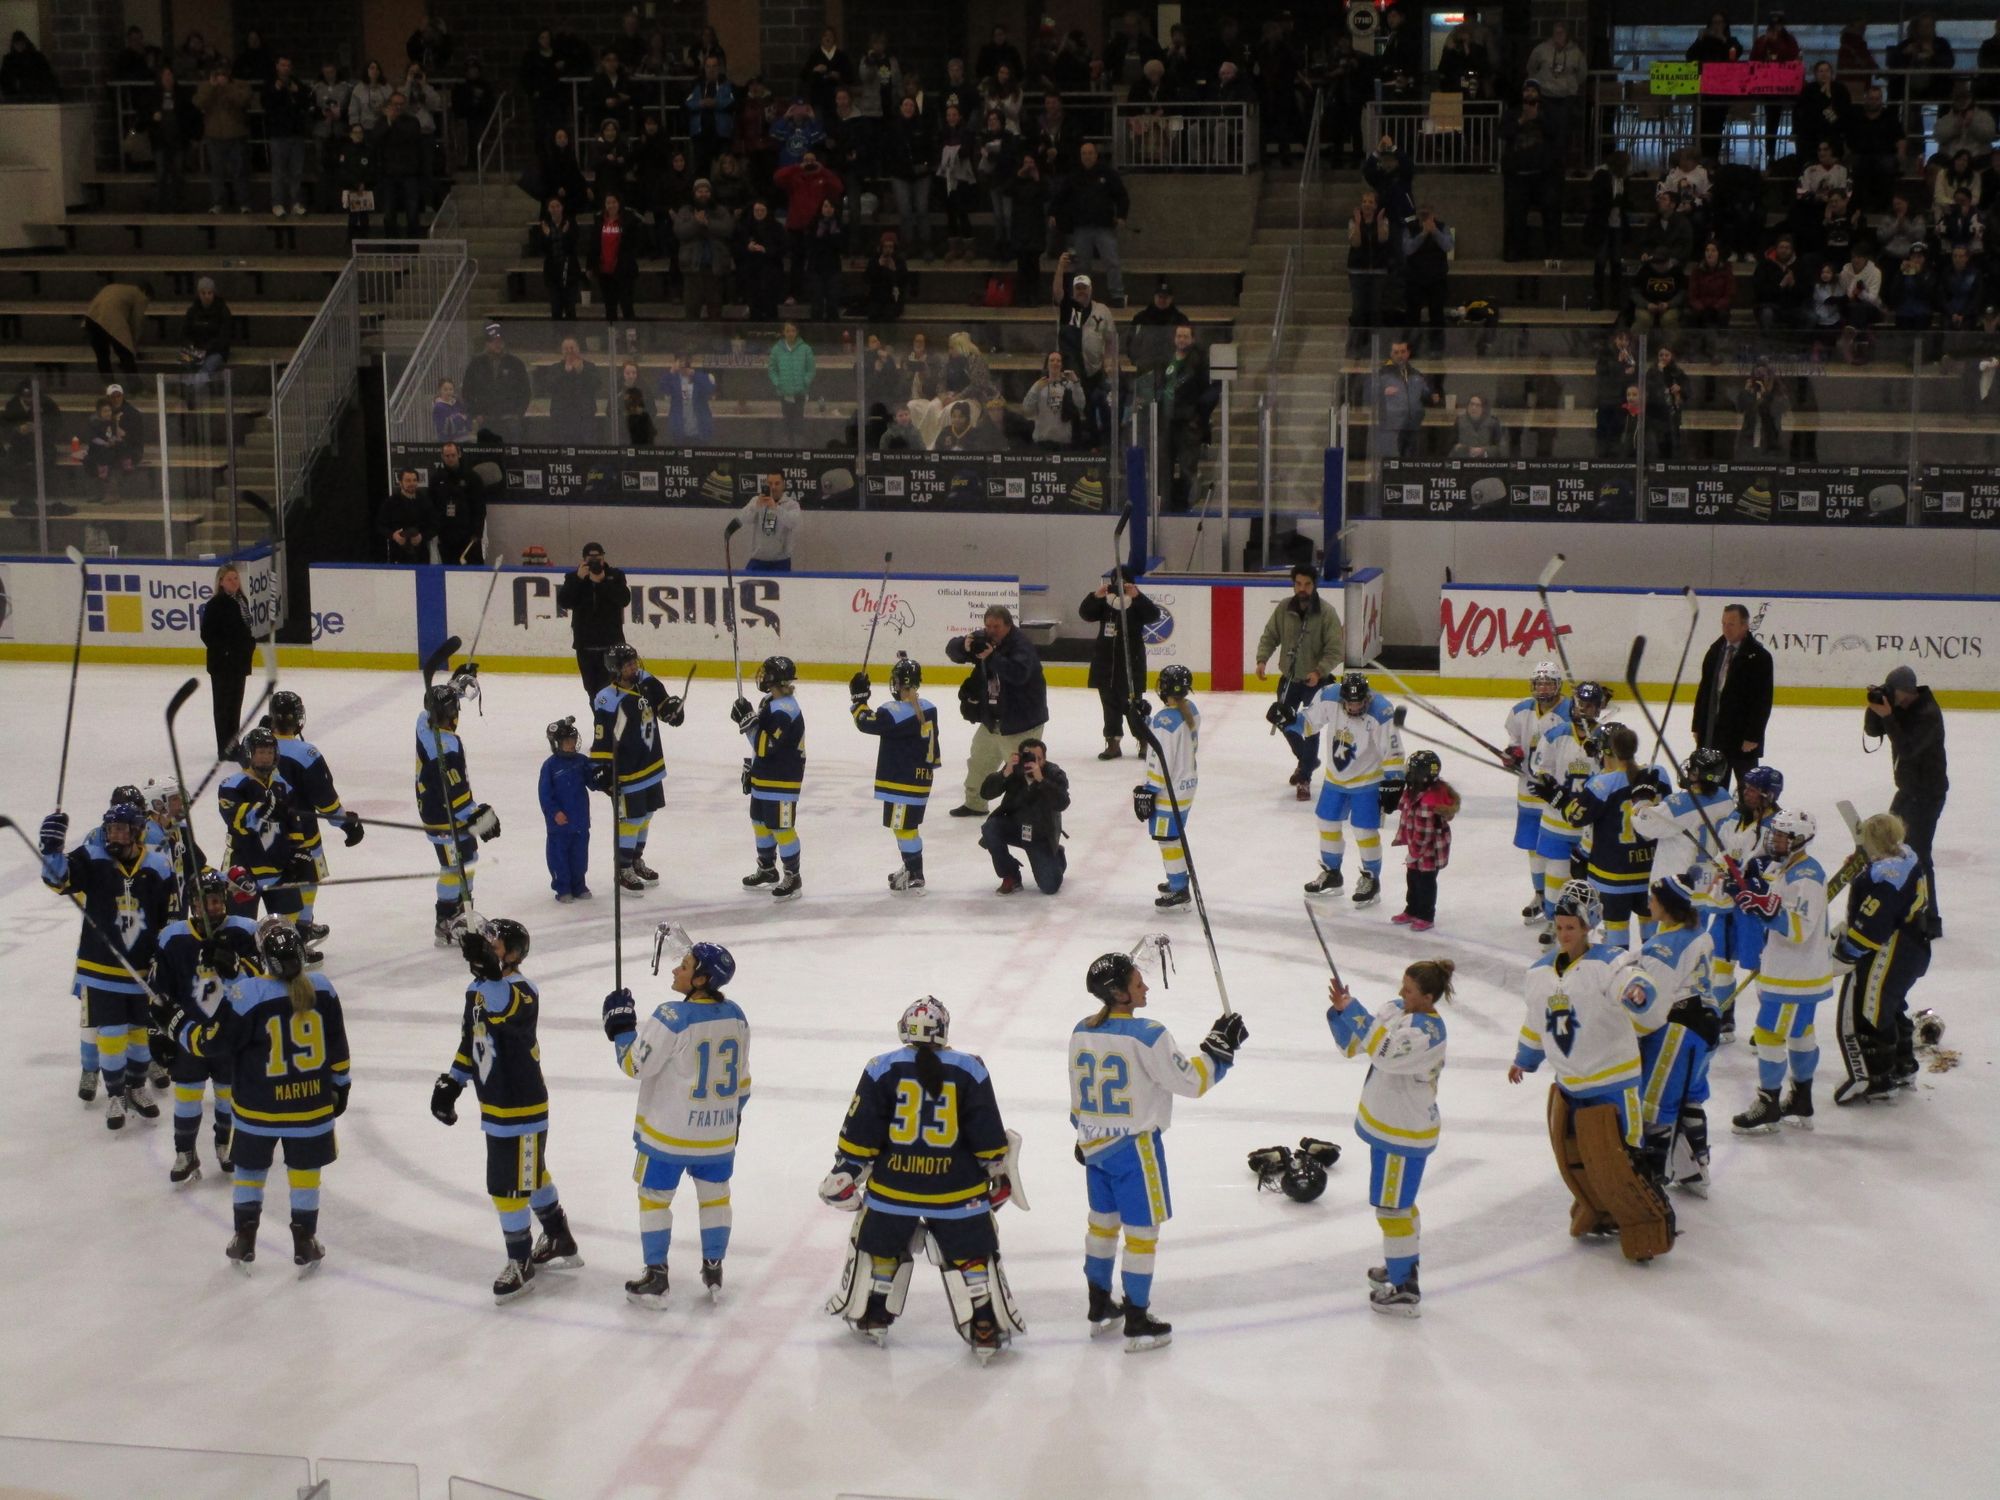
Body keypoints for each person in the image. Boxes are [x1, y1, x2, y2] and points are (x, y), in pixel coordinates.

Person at [819, 997, 1023, 1357]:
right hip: (959, 1193)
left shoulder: (881, 1067)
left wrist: (846, 1170)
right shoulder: (970, 1068)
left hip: (892, 1191)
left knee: (880, 1247)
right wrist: (998, 1173)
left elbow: (861, 1132)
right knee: (973, 1256)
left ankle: (874, 1314)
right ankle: (983, 1320)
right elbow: (988, 1139)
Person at [1071, 949, 1245, 1350]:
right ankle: (1136, 1320)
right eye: (1137, 983)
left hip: (1094, 1147)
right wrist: (1220, 1052)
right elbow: (1191, 1082)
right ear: (1119, 994)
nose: (1145, 986)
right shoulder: (1148, 1033)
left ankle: (1099, 1305)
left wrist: (1082, 1134)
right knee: (1141, 1235)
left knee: (1101, 1226)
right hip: (1135, 1150)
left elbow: (1076, 1097)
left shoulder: (1081, 1029)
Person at [1510, 881, 1674, 1262]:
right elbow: (1536, 1021)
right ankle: (1598, 1210)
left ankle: (1644, 1222)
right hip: (1570, 1083)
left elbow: (1631, 980)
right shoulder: (1538, 973)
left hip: (1613, 1080)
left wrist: (1638, 992)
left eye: (1571, 927)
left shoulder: (1609, 961)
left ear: (1588, 926)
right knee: (1580, 1158)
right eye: (1560, 925)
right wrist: (1525, 1058)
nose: (1564, 933)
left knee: (1625, 1155)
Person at [171, 922, 348, 1272]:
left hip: (258, 1106)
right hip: (310, 1105)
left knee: (250, 1170)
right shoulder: (323, 988)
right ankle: (305, 1240)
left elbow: (214, 1042)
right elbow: (338, 1043)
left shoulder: (247, 993)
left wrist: (177, 1027)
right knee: (305, 1173)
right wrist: (341, 1084)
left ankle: (244, 1236)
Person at [430, 917, 581, 1302]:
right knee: (530, 1172)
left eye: (494, 946)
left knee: (507, 1184)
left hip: (521, 1103)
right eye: (484, 944)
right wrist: (453, 1081)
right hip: (494, 1100)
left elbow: (502, 1010)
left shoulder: (522, 990)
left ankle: (520, 1261)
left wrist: (489, 973)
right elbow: (473, 1040)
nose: (487, 950)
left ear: (513, 955)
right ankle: (559, 1236)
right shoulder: (477, 989)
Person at [600, 928, 749, 1305]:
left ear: (701, 980)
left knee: (653, 1198)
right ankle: (713, 1266)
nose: (674, 972)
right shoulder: (736, 1015)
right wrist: (726, 1124)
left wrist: (620, 1030)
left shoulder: (671, 1015)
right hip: (717, 1139)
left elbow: (635, 1065)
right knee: (716, 1198)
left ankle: (657, 1277)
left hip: (667, 1136)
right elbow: (743, 1086)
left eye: (683, 967)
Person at [1323, 960, 1452, 1316]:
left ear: (1428, 997)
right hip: (1391, 1127)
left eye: (1409, 990)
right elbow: (1354, 1046)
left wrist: (1354, 1010)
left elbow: (1385, 1051)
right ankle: (1401, 1267)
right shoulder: (1396, 1011)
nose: (1400, 993)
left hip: (1404, 1133)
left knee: (1393, 1207)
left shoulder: (1426, 1034)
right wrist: (1340, 1012)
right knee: (1400, 1204)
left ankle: (1404, 1287)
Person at [38, 801, 173, 1123]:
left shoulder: (158, 866)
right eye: (110, 828)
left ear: (137, 832)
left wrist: (164, 956)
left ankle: (136, 1086)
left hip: (140, 971)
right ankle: (115, 1095)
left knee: (140, 1034)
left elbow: (168, 915)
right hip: (100, 968)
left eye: (121, 829)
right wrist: (51, 850)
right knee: (111, 1033)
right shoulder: (93, 857)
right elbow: (58, 880)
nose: (114, 835)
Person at [1726, 808, 1833, 1136]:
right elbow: (1776, 907)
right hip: (1799, 972)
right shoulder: (1789, 867)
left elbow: (1797, 928)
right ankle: (1801, 1100)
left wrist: (1759, 907)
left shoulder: (1806, 878)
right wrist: (1751, 898)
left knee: (1770, 1033)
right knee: (1800, 1033)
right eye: (1775, 833)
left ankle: (1769, 1103)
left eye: (1783, 836)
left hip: (1793, 975)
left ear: (1800, 840)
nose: (1774, 839)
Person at [153, 869, 258, 1181]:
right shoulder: (172, 938)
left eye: (214, 901)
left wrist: (234, 964)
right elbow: (161, 990)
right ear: (192, 905)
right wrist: (159, 1034)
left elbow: (262, 980)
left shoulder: (245, 930)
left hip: (231, 1032)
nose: (209, 908)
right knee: (187, 1095)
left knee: (227, 1095)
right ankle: (185, 1151)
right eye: (201, 903)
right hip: (189, 1033)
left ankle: (225, 1144)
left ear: (224, 900)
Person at [1620, 875, 1721, 1194]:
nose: (1648, 903)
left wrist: (1629, 1033)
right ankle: (1695, 1169)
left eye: (1653, 898)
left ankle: (1654, 1179)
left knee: (1654, 1103)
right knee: (1688, 1097)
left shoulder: (1663, 946)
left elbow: (1652, 1008)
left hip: (1678, 1029)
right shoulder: (1697, 933)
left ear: (1667, 905)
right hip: (1706, 1026)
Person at [1831, 812, 1932, 1102]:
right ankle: (1903, 1066)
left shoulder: (1887, 878)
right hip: (1911, 945)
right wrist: (1864, 867)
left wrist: (1848, 949)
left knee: (1870, 1009)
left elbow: (1872, 926)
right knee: (1890, 1005)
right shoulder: (1907, 854)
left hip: (1893, 948)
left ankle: (1879, 1078)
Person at [1289, 670, 1405, 909]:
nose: (1353, 708)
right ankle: (1333, 874)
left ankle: (1370, 879)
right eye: (1349, 703)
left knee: (1364, 831)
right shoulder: (1329, 696)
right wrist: (1287, 719)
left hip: (1367, 781)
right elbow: (1308, 724)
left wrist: (1394, 782)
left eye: (1358, 702)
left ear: (1367, 698)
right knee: (1326, 823)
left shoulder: (1381, 710)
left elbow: (1393, 751)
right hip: (1335, 779)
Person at [1553, 723, 1667, 948]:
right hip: (1651, 871)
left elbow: (1576, 817)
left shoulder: (1601, 784)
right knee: (1652, 939)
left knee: (1616, 943)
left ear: (1606, 751)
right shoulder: (1658, 774)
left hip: (1613, 876)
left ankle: (1620, 979)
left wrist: (1557, 797)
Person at [268, 690, 361, 948]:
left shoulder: (257, 746)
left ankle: (290, 929)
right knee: (308, 878)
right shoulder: (305, 753)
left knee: (280, 882)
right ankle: (300, 930)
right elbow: (326, 802)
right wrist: (347, 824)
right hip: (302, 833)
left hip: (265, 833)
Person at [1863, 664, 1947, 940]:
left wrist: (1889, 716)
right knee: (1886, 844)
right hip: (1908, 790)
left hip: (1928, 794)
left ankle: (1930, 919)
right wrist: (1875, 708)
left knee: (1919, 854)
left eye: (1893, 691)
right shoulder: (1901, 706)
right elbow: (1874, 732)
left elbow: (1908, 749)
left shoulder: (1928, 714)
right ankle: (1897, 907)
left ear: (1906, 691)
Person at [1525, 680, 1613, 939]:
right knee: (1556, 875)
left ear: (1598, 709)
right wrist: (1552, 792)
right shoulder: (1555, 735)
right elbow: (1540, 777)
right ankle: (1555, 920)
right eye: (1579, 703)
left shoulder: (1605, 738)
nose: (1582, 709)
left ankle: (1598, 922)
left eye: (1589, 705)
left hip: (1591, 827)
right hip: (1556, 824)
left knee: (1596, 880)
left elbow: (1613, 778)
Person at [592, 644, 683, 894]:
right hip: (627, 772)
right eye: (628, 664)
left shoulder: (647, 681)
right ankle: (622, 868)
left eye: (634, 662)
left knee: (645, 815)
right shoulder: (606, 699)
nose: (634, 667)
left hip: (651, 765)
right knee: (630, 820)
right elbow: (601, 739)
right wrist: (602, 768)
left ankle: (634, 860)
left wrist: (674, 712)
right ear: (616, 669)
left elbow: (664, 709)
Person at [946, 605, 1049, 817]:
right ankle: (975, 803)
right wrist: (963, 646)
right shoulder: (984, 641)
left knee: (1023, 769)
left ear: (1008, 625)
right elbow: (952, 651)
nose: (991, 630)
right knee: (979, 762)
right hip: (993, 719)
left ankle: (1031, 811)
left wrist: (992, 657)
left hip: (1022, 722)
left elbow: (1018, 674)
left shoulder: (1022, 646)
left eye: (997, 626)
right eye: (988, 626)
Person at [850, 656, 942, 892]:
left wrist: (858, 699)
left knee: (904, 828)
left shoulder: (895, 712)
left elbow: (866, 722)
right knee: (905, 825)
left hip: (903, 780)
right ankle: (910, 865)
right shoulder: (928, 707)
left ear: (899, 683)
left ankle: (915, 872)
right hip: (918, 778)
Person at [416, 681, 497, 944]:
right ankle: (447, 919)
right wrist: (480, 819)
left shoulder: (423, 725)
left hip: (432, 809)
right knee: (455, 865)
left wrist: (453, 688)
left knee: (466, 858)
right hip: (445, 816)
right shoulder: (448, 748)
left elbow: (430, 708)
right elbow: (458, 797)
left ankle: (461, 910)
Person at [1255, 565, 1344, 799]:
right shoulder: (1284, 608)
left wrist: (1319, 671)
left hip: (1316, 683)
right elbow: (1270, 635)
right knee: (1282, 718)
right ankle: (1308, 759)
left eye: (1307, 584)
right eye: (1298, 584)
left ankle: (1304, 776)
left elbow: (1335, 650)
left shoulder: (1327, 613)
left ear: (1315, 585)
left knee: (1310, 728)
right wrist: (1262, 659)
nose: (1302, 589)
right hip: (1290, 679)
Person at [728, 655, 806, 901]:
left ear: (774, 678)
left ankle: (793, 876)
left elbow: (765, 746)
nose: (762, 676)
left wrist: (747, 722)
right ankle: (767, 869)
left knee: (782, 828)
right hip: (765, 776)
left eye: (767, 673)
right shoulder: (770, 701)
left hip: (782, 779)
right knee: (760, 823)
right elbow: (759, 749)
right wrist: (752, 767)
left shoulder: (786, 710)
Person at [1501, 663, 1571, 923]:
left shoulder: (1569, 713)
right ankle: (1540, 894)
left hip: (1555, 796)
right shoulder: (1520, 711)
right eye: (1538, 683)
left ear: (1557, 685)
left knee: (1557, 851)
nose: (1542, 688)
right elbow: (1514, 745)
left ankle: (1563, 898)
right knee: (1534, 849)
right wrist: (1512, 755)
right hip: (1528, 792)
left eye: (1548, 683)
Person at [1079, 568, 1162, 760]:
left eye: (1124, 583)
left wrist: (1138, 596)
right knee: (1109, 705)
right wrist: (1094, 596)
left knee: (1133, 705)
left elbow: (1153, 615)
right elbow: (1085, 614)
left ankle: (1143, 740)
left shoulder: (1136, 603)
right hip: (1105, 664)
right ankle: (1113, 742)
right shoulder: (1106, 603)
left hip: (1130, 664)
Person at [1134, 666, 1198, 911]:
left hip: (1167, 791)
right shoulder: (1190, 710)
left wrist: (1149, 789)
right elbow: (1170, 741)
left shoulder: (1165, 719)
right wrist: (1148, 721)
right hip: (1186, 785)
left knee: (1167, 839)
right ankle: (1179, 879)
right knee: (1174, 835)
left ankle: (1178, 888)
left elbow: (1161, 758)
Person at [1690, 603, 1773, 788]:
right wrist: (1698, 725)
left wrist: (1753, 735)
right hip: (1713, 732)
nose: (1726, 628)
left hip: (1742, 737)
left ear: (1745, 625)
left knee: (1747, 788)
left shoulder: (1759, 657)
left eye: (1731, 624)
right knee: (1712, 788)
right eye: (1724, 623)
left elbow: (1763, 701)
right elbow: (1704, 690)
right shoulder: (1714, 651)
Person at [1049, 141, 1129, 305]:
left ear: (1096, 154)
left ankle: (1117, 295)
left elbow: (1122, 195)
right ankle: (1082, 296)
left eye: (1090, 153)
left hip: (1104, 227)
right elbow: (1061, 197)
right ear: (1080, 156)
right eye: (1084, 153)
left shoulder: (1107, 173)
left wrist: (1122, 216)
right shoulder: (1074, 175)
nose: (1087, 156)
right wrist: (1053, 213)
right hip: (1081, 228)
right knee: (1082, 266)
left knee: (1112, 262)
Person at [1390, 751, 1459, 931]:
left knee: (1425, 882)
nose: (1408, 774)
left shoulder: (1429, 800)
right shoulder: (1414, 791)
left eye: (1412, 771)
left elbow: (1424, 832)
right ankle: (1412, 909)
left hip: (1429, 850)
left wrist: (1414, 853)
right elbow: (1403, 806)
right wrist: (1388, 800)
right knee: (1412, 879)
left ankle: (1426, 915)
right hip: (1415, 847)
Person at [554, 542, 630, 700]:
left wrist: (603, 582)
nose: (595, 562)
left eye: (599, 558)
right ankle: (600, 723)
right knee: (592, 690)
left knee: (614, 690)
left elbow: (624, 599)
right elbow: (564, 602)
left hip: (611, 645)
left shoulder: (615, 576)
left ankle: (612, 722)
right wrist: (578, 579)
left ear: (604, 558)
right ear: (584, 560)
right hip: (585, 645)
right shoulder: (573, 577)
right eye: (591, 559)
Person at [1055, 256, 1116, 441]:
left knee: (1103, 401)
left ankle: (1104, 439)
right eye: (1078, 289)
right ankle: (1078, 440)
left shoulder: (1102, 310)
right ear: (1073, 291)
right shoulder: (1068, 309)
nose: (1081, 292)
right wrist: (1060, 267)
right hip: (1073, 368)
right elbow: (1057, 293)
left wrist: (1109, 362)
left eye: (1084, 288)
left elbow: (1111, 339)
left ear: (1091, 289)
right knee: (1075, 404)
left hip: (1096, 368)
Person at [199, 561, 257, 754]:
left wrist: (249, 646)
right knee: (224, 707)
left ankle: (234, 744)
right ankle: (224, 748)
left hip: (239, 663)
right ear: (221, 582)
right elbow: (207, 634)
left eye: (236, 578)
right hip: (223, 665)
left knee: (235, 706)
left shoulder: (242, 601)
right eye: (229, 579)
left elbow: (245, 629)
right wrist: (226, 651)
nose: (234, 582)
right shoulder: (216, 604)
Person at [534, 716, 593, 903]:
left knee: (579, 856)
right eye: (566, 741)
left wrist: (605, 777)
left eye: (573, 741)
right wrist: (554, 812)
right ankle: (563, 887)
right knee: (559, 856)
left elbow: (593, 782)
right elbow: (545, 794)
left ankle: (579, 884)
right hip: (559, 824)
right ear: (557, 743)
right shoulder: (550, 766)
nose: (571, 745)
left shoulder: (582, 761)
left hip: (580, 820)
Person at [673, 179, 735, 322]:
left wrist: (708, 223)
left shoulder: (720, 210)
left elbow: (728, 229)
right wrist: (696, 222)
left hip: (714, 268)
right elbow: (680, 231)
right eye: (700, 191)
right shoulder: (685, 211)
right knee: (692, 310)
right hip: (692, 269)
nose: (703, 194)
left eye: (706, 191)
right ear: (694, 193)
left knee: (715, 311)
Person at [1523, 21, 1584, 165]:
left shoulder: (1576, 52)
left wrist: (1571, 85)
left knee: (1562, 131)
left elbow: (1582, 73)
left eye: (1561, 33)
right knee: (1544, 129)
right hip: (1545, 95)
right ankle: (1544, 161)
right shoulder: (1542, 50)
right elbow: (1531, 67)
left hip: (1565, 97)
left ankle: (1558, 162)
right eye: (1556, 33)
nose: (1558, 36)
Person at [460, 324, 530, 444]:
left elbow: (525, 391)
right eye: (494, 341)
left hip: (509, 420)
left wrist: (518, 414)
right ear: (487, 343)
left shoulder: (515, 364)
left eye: (500, 341)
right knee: (487, 458)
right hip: (486, 419)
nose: (498, 344)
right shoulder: (476, 364)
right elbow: (467, 391)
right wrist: (476, 414)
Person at [375, 92, 429, 238]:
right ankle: (392, 248)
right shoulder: (382, 122)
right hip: (389, 174)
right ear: (389, 105)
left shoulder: (412, 121)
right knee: (389, 213)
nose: (398, 107)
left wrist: (395, 121)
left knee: (412, 212)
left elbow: (410, 136)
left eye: (401, 104)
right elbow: (377, 138)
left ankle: (412, 247)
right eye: (395, 104)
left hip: (409, 173)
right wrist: (388, 122)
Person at [1369, 339, 1431, 459]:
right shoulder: (1382, 374)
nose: (1400, 355)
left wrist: (1431, 396)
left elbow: (1426, 396)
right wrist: (1382, 392)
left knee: (1411, 465)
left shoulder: (1416, 374)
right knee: (1391, 463)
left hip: (1413, 427)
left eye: (1402, 352)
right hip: (1391, 428)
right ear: (1391, 354)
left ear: (1408, 353)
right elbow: (1368, 394)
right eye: (1396, 352)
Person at [587, 192, 643, 324]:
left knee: (627, 305)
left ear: (619, 204)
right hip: (605, 270)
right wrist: (590, 265)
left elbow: (636, 242)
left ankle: (631, 341)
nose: (611, 205)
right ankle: (612, 339)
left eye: (614, 202)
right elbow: (593, 244)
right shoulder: (599, 220)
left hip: (624, 269)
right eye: (608, 203)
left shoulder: (629, 220)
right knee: (609, 307)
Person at [82, 282, 151, 377]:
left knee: (102, 357)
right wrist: (133, 345)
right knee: (125, 355)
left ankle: (109, 386)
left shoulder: (112, 287)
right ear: (146, 292)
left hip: (91, 319)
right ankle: (136, 389)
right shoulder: (140, 295)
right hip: (112, 321)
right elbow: (136, 322)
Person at [767, 323, 816, 449]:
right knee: (787, 421)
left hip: (800, 393)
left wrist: (804, 381)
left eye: (793, 330)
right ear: (783, 332)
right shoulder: (776, 349)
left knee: (799, 421)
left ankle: (800, 448)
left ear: (797, 332)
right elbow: (772, 369)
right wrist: (778, 382)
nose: (790, 333)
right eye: (788, 331)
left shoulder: (805, 349)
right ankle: (788, 447)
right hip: (784, 393)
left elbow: (811, 369)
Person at [740, 473, 801, 573]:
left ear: (783, 485)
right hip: (758, 559)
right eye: (770, 483)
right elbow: (743, 519)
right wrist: (755, 507)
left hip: (781, 561)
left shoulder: (791, 505)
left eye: (777, 483)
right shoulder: (756, 501)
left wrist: (776, 508)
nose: (773, 487)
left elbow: (794, 523)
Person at [378, 467, 437, 564]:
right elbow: (380, 526)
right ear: (400, 482)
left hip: (421, 555)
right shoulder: (391, 502)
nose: (412, 483)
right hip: (398, 553)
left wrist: (422, 536)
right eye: (408, 480)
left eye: (414, 480)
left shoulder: (425, 501)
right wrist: (394, 535)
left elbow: (434, 525)